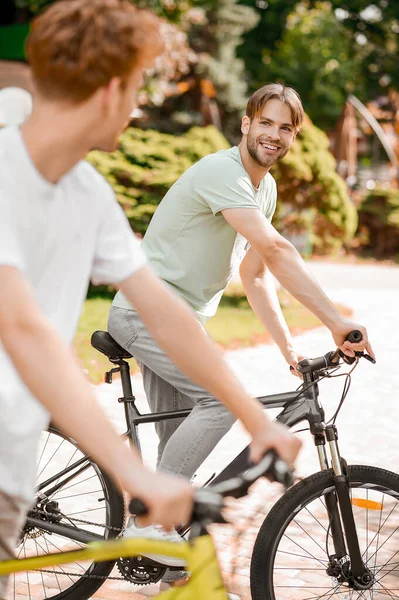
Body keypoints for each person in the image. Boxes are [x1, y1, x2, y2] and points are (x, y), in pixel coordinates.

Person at [0, 2, 301, 596]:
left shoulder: (88, 194)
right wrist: (138, 477)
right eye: (139, 86)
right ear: (111, 89)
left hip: (12, 473)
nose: (140, 106)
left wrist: (253, 415)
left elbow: (165, 311)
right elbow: (23, 329)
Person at [109, 83, 375, 573]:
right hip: (144, 314)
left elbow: (256, 275)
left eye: (286, 128)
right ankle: (146, 522)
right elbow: (276, 250)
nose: (274, 135)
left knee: (180, 455)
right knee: (221, 403)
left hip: (181, 324)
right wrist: (336, 320)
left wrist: (289, 349)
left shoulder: (264, 188)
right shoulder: (222, 171)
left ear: (293, 136)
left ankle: (168, 565)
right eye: (266, 122)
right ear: (246, 124)